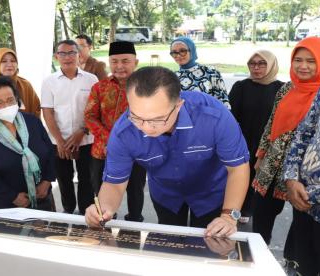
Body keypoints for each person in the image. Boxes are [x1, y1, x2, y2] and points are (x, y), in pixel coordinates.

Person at [85, 66, 250, 238]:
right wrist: (102, 210)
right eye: (137, 117)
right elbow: (114, 183)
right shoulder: (123, 132)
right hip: (166, 195)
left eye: (157, 119)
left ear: (178, 105)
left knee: (212, 245)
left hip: (212, 192)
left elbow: (237, 168)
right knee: (169, 242)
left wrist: (230, 216)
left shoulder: (214, 117)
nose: (146, 128)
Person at [252, 36, 320, 245]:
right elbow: (271, 124)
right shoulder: (287, 89)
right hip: (273, 164)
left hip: (304, 175)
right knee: (261, 219)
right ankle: (256, 257)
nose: (303, 66)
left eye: (311, 61)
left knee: (301, 230)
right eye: (298, 60)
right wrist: (261, 155)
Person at [282, 75, 320, 276]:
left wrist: (309, 195)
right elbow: (304, 133)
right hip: (304, 206)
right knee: (304, 268)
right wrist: (290, 178)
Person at [84, 41, 147, 222]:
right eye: (114, 61)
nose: (119, 66)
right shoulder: (100, 87)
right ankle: (103, 224)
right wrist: (110, 140)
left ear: (135, 62)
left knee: (136, 192)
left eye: (125, 61)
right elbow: (89, 116)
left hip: (136, 153)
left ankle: (134, 227)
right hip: (102, 152)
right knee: (101, 193)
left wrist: (123, 144)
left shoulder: (146, 88)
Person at [0, 77, 55, 210]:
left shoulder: (33, 122)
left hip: (42, 198)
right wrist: (12, 197)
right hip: (6, 205)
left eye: (10, 100)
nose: (7, 106)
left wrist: (46, 181)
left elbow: (50, 152)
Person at [41, 40, 98, 215]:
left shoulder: (91, 79)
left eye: (72, 52)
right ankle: (68, 210)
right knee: (64, 179)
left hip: (86, 139)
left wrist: (82, 132)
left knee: (86, 179)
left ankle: (85, 212)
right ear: (56, 57)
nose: (67, 57)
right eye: (62, 53)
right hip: (59, 141)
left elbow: (95, 111)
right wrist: (59, 141)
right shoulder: (49, 81)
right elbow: (48, 112)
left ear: (79, 55)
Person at [229, 50, 284, 223]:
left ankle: (256, 217)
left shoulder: (282, 89)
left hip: (268, 146)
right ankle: (237, 211)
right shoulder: (241, 87)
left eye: (262, 63)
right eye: (252, 63)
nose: (256, 68)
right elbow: (230, 118)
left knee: (262, 186)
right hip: (242, 142)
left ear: (271, 64)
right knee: (240, 177)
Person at [170, 36, 229, 108]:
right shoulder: (172, 78)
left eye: (183, 51)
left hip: (210, 118)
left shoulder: (211, 73)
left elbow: (224, 103)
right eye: (174, 52)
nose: (178, 55)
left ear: (192, 50)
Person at [0, 48, 41, 118]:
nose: (9, 64)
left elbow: (36, 108)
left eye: (13, 61)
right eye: (4, 61)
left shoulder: (25, 85)